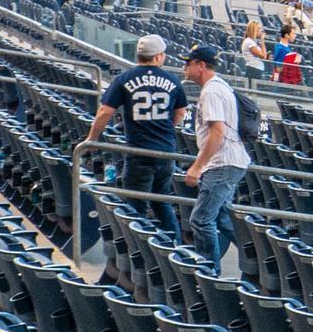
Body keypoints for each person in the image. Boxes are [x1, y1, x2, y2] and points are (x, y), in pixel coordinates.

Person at [85, 33, 191, 233]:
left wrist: (91, 138)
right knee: (162, 202)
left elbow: (105, 111)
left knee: (136, 206)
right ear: (158, 56)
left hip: (138, 151)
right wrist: (166, 127)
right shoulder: (172, 80)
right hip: (166, 150)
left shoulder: (124, 79)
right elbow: (180, 113)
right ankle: (173, 247)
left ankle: (140, 250)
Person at [179, 45, 251, 276]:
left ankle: (209, 273)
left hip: (223, 163)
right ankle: (259, 258)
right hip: (229, 161)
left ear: (201, 66)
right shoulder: (218, 87)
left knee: (201, 219)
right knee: (222, 217)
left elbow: (217, 132)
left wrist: (197, 166)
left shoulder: (211, 91)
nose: (185, 68)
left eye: (188, 63)